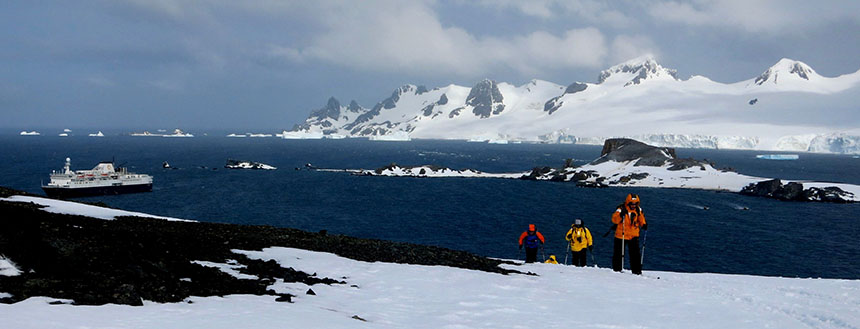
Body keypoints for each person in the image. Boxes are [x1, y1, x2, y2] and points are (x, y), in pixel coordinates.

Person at [611, 194, 647, 274]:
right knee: (618, 254)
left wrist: (644, 224)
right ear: (628, 203)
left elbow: (641, 219)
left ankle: (636, 271)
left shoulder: (638, 210)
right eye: (632, 204)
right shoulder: (621, 209)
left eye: (635, 204)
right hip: (621, 235)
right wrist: (621, 215)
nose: (633, 206)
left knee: (635, 255)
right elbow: (614, 220)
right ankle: (617, 270)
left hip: (633, 235)